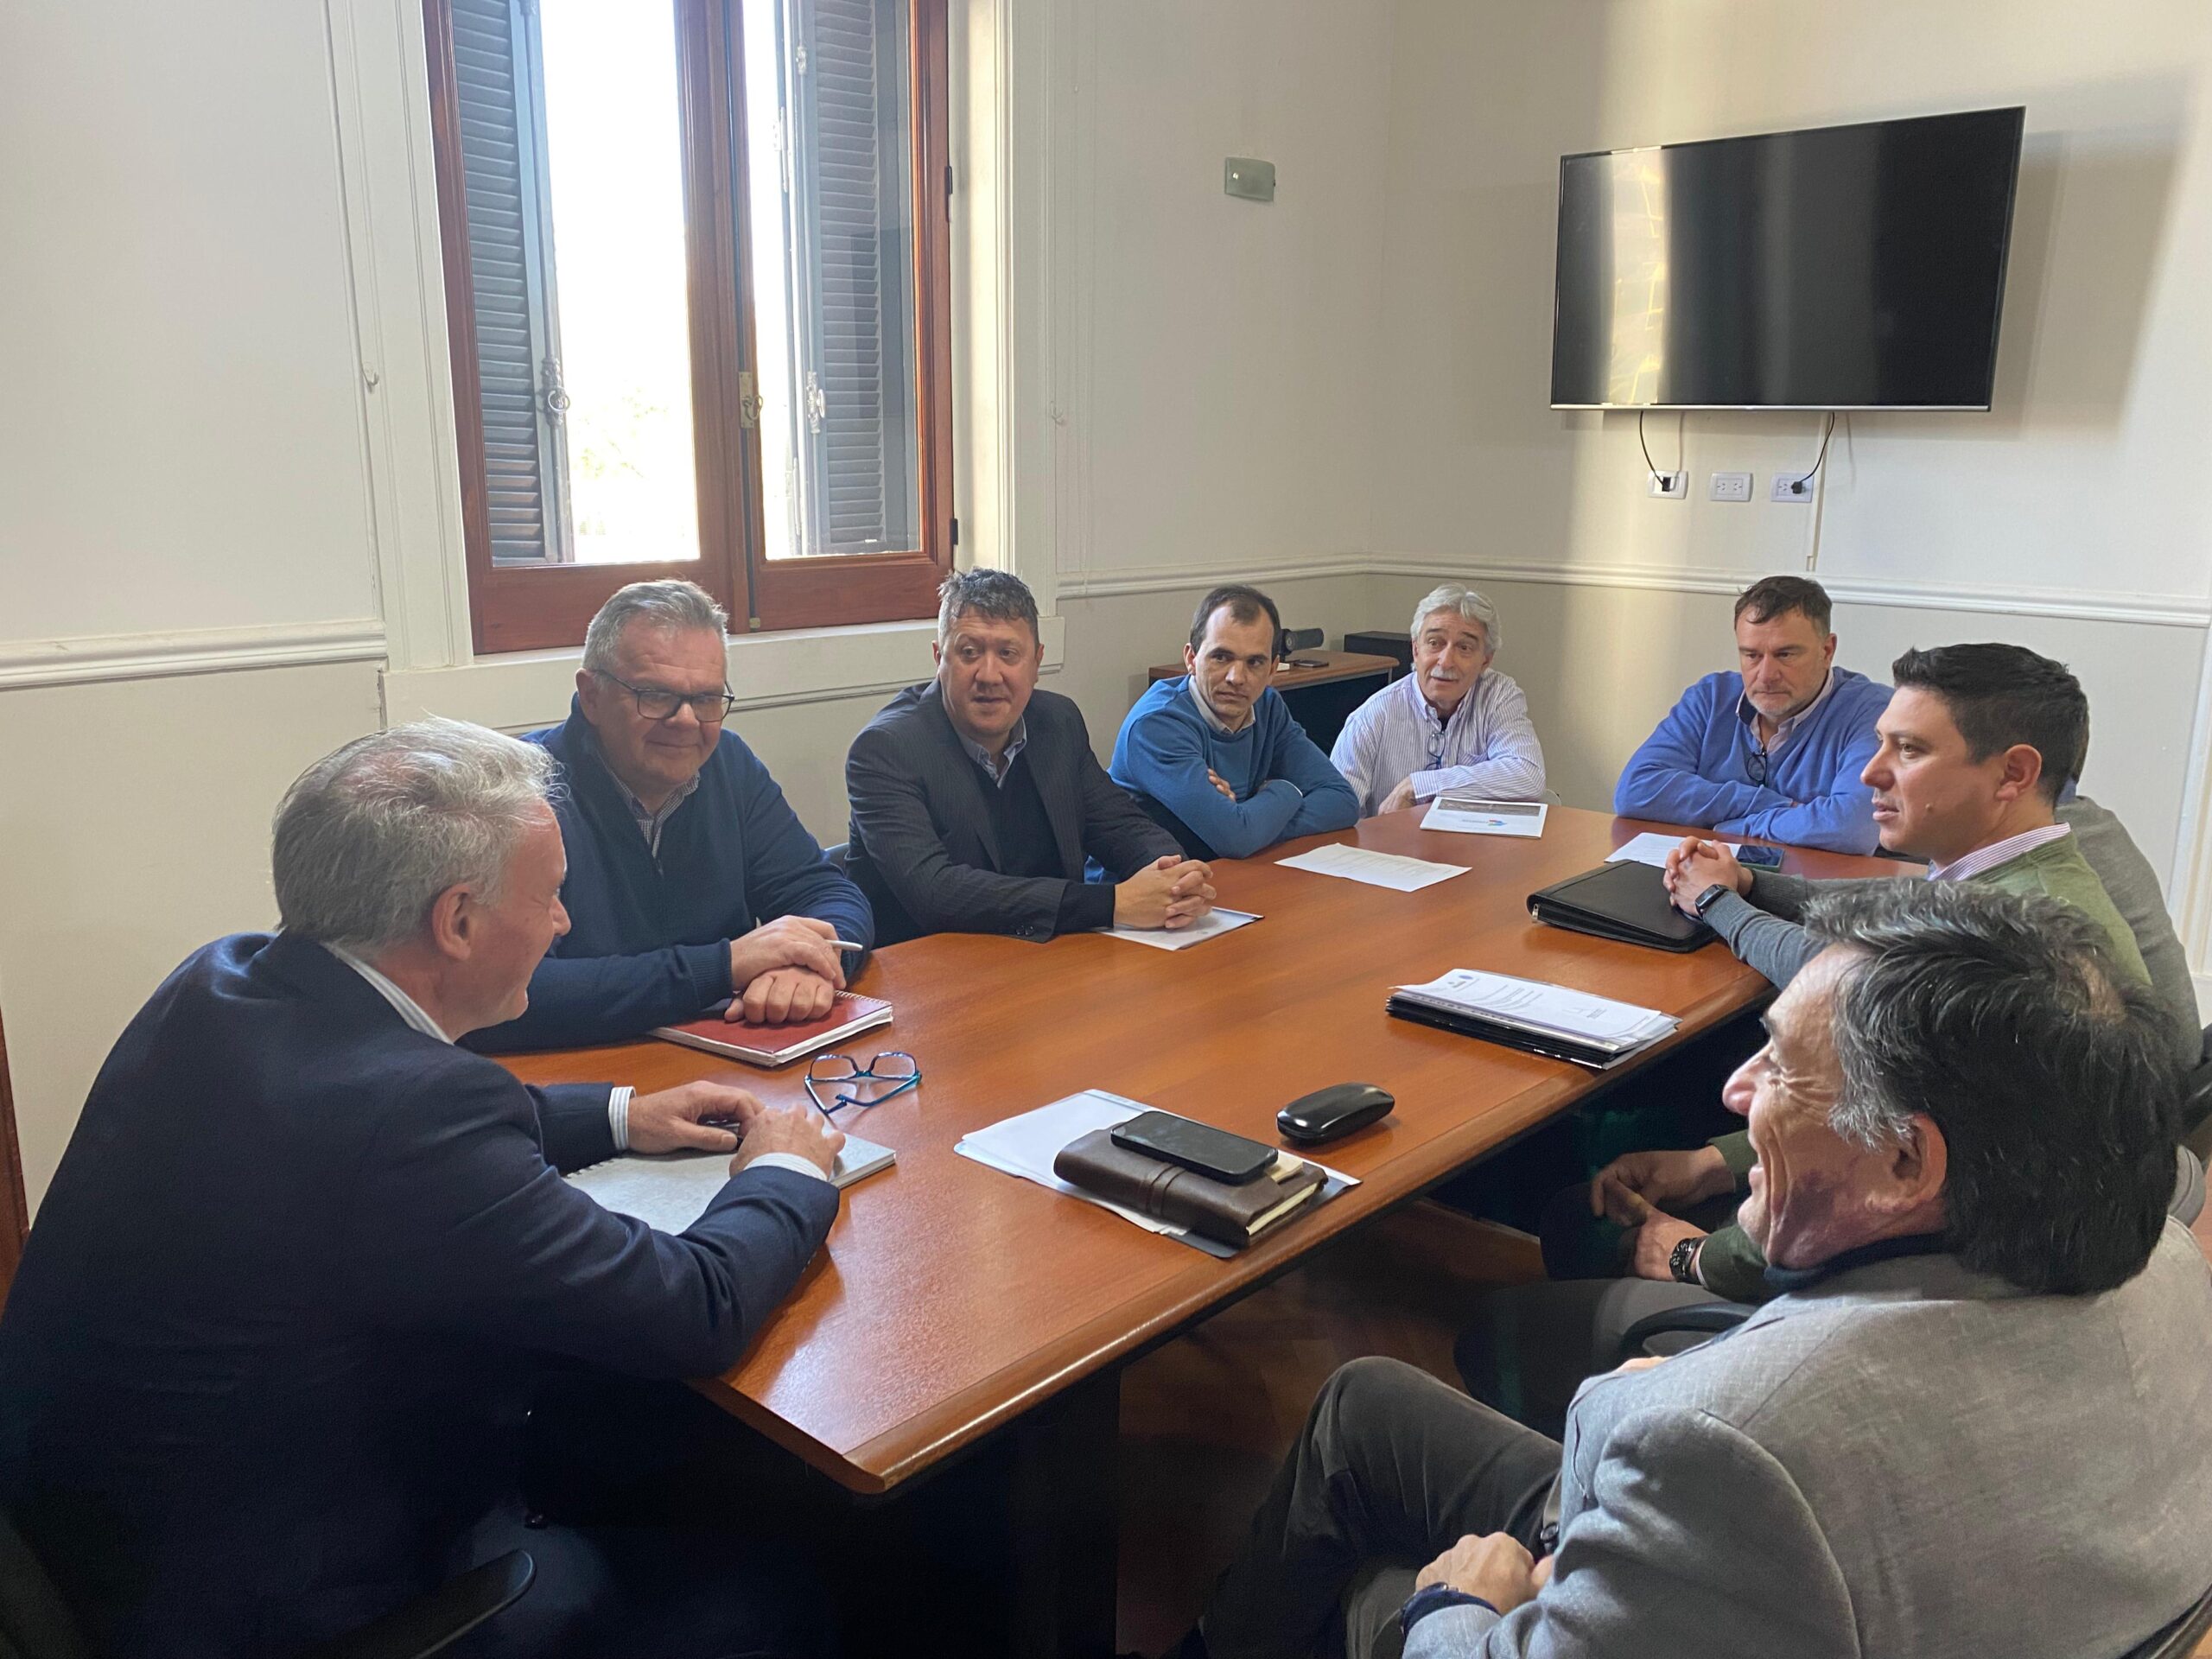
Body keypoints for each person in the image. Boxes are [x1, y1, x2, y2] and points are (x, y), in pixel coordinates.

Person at [0, 721, 847, 1658]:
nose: (562, 924)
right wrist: (786, 1168)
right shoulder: (412, 1117)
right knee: (785, 1589)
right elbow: (696, 1309)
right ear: (458, 921)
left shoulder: (222, 979)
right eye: (551, 896)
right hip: (277, 1605)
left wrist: (618, 1115)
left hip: (101, 1538)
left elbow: (377, 1115)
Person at [1189, 884, 2212, 1659]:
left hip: (1740, 1551)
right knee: (1364, 1406)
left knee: (1380, 1583)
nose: (1735, 1089)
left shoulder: (1732, 1449)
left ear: (1907, 1160)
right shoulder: (2163, 1258)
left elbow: (1760, 1456)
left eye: (1782, 1066)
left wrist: (1457, 1604)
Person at [1601, 643, 2182, 1307]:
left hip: (1925, 1269)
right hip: (1980, 1223)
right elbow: (1886, 915)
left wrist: (1693, 1257)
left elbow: (1877, 1175)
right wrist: (1715, 1163)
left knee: (1580, 1226)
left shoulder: (2015, 944)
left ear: (2013, 774)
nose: (1871, 773)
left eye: (1908, 750)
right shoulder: (2016, 875)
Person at [474, 580, 873, 1052]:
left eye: (706, 699)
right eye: (656, 695)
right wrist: (722, 967)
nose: (686, 720)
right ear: (592, 696)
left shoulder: (729, 763)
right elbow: (503, 991)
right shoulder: (517, 794)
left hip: (722, 1059)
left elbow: (824, 891)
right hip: (577, 1072)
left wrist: (812, 963)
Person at [846, 569, 1215, 945]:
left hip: (1050, 955)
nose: (989, 675)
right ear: (940, 658)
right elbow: (935, 892)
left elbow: (1120, 825)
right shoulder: (885, 750)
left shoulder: (1058, 722)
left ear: (1037, 662)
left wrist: (1174, 876)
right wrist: (1114, 904)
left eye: (1008, 654)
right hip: (929, 964)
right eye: (969, 652)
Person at [1613, 575, 1890, 853]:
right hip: (1707, 870)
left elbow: (1853, 828)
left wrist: (1733, 827)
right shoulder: (1710, 698)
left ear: (1827, 651)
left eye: (1785, 655)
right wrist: (1773, 804)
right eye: (1752, 655)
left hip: (1815, 880)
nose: (1766, 675)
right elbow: (1636, 790)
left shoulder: (1873, 711)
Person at [1109, 584, 1358, 859]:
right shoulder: (1156, 725)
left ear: (1272, 669)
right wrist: (1285, 789)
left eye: (1254, 662)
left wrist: (1252, 822)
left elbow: (1343, 801)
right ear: (1191, 658)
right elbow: (1235, 838)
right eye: (1221, 657)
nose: (1236, 678)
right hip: (1144, 880)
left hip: (1223, 871)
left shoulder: (1267, 707)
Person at [1331, 584, 1544, 816]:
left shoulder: (1498, 696)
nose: (1446, 661)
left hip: (1474, 838)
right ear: (1416, 650)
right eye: (1434, 643)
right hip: (1392, 839)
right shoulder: (1371, 718)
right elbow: (1336, 814)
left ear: (1485, 661)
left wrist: (1419, 785)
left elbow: (1528, 775)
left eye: (1464, 647)